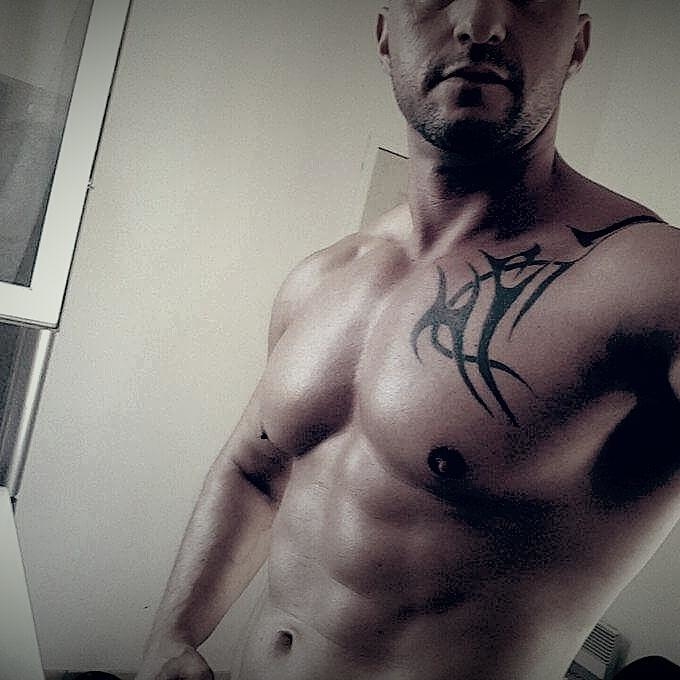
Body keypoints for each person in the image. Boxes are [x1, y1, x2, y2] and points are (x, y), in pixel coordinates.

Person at [136, 2, 680, 679]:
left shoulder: (650, 279)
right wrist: (172, 634)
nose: (479, 22)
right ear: (385, 37)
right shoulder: (327, 274)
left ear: (578, 43)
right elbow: (255, 469)